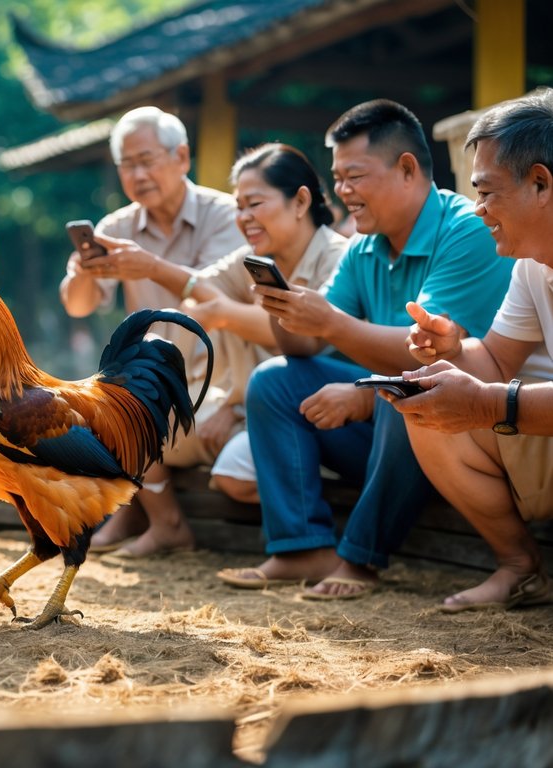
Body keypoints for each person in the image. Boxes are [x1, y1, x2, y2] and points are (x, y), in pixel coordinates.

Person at [217, 100, 514, 599]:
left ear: (406, 169)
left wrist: (341, 348)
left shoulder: (466, 229)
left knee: (412, 391)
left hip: (468, 430)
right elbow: (310, 341)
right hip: (382, 436)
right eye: (338, 177)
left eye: (354, 176)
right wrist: (281, 304)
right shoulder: (363, 248)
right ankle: (300, 547)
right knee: (273, 380)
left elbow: (426, 356)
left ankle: (359, 558)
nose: (342, 192)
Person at [114, 144, 350, 505]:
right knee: (133, 423)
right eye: (238, 207)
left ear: (301, 202)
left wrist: (224, 313)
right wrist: (160, 272)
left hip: (326, 410)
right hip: (243, 401)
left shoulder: (340, 258)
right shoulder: (254, 259)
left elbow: (309, 340)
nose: (244, 217)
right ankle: (154, 522)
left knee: (231, 470)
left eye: (255, 204)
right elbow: (199, 292)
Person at [390, 90, 553, 611]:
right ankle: (522, 569)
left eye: (486, 192)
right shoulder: (532, 264)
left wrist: (489, 403)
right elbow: (498, 363)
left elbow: (494, 391)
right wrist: (453, 349)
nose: (477, 209)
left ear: (541, 183)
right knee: (430, 408)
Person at [60, 106, 246, 558]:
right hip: (153, 383)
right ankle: (140, 511)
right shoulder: (117, 228)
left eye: (147, 160)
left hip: (219, 380)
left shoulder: (229, 215)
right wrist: (87, 270)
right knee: (96, 411)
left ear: (182, 157)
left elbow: (212, 295)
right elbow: (77, 304)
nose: (137, 174)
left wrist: (151, 267)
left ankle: (164, 523)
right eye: (127, 164)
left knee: (134, 421)